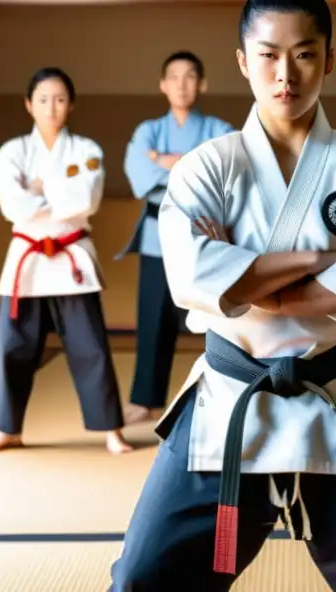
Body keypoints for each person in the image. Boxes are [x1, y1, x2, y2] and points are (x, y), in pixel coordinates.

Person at [110, 0, 336, 590]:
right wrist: (327, 259)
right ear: (243, 62)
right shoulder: (205, 169)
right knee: (141, 578)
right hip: (230, 393)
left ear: (329, 60)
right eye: (269, 56)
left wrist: (247, 276)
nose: (286, 75)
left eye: (304, 55)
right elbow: (192, 276)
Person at [0, 67, 131, 455]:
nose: (52, 107)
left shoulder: (87, 151)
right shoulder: (12, 151)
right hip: (26, 263)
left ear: (71, 104)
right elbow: (12, 206)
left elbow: (86, 200)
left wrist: (40, 190)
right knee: (13, 347)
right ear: (29, 105)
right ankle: (6, 428)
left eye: (60, 99)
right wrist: (57, 194)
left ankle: (111, 428)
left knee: (90, 347)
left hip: (70, 260)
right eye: (43, 99)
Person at [118, 52, 234, 424]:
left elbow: (223, 174)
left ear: (202, 84)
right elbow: (139, 174)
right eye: (174, 77)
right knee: (153, 319)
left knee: (219, 316)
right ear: (163, 84)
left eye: (190, 77)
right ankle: (146, 399)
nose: (182, 84)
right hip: (158, 237)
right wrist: (190, 163)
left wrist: (166, 161)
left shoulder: (220, 128)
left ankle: (225, 392)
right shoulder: (147, 131)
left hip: (205, 235)